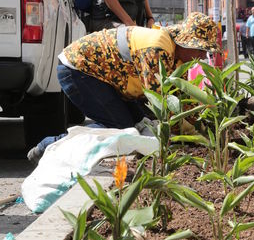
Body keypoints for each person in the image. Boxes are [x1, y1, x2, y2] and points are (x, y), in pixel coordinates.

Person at [27, 13, 221, 164]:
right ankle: (49, 145)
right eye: (201, 50)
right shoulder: (157, 48)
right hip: (79, 70)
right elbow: (163, 103)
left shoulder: (178, 56)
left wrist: (200, 126)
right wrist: (192, 135)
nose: (203, 56)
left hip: (105, 79)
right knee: (120, 129)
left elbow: (181, 99)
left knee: (137, 124)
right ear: (185, 42)